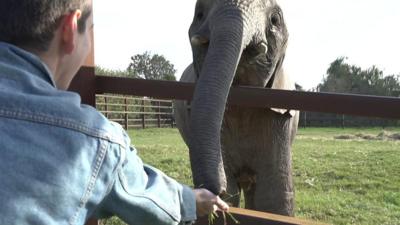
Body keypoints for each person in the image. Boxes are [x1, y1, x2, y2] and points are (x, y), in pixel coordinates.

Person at [0, 0, 229, 225]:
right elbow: (146, 197)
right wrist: (190, 200)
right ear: (70, 29)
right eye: (90, 31)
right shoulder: (91, 140)